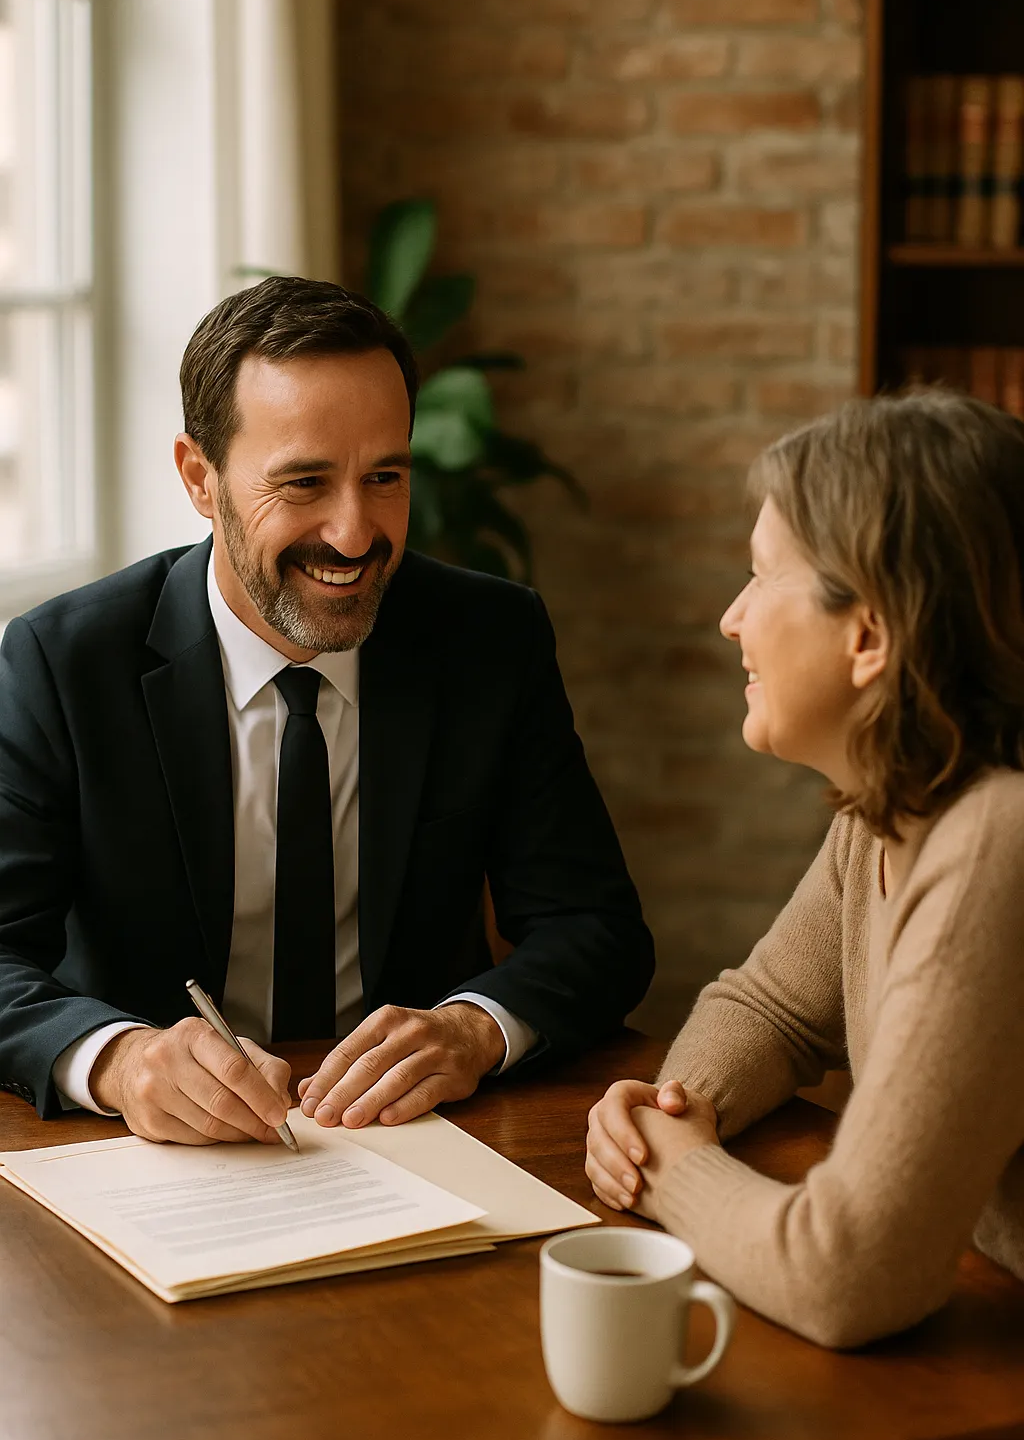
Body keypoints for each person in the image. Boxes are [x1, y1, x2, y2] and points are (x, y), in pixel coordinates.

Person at [0, 275, 653, 1144]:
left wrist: (472, 1029)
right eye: (304, 482)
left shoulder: (489, 639)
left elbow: (596, 929)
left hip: (417, 1140)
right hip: (146, 1155)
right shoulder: (64, 661)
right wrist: (119, 1061)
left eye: (384, 475)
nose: (354, 533)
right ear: (200, 477)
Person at [586, 391, 1024, 1348]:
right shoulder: (889, 810)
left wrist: (671, 1170)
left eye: (759, 578)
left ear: (867, 634)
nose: (729, 619)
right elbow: (770, 1008)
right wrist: (676, 1106)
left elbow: (849, 1275)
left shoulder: (999, 840)